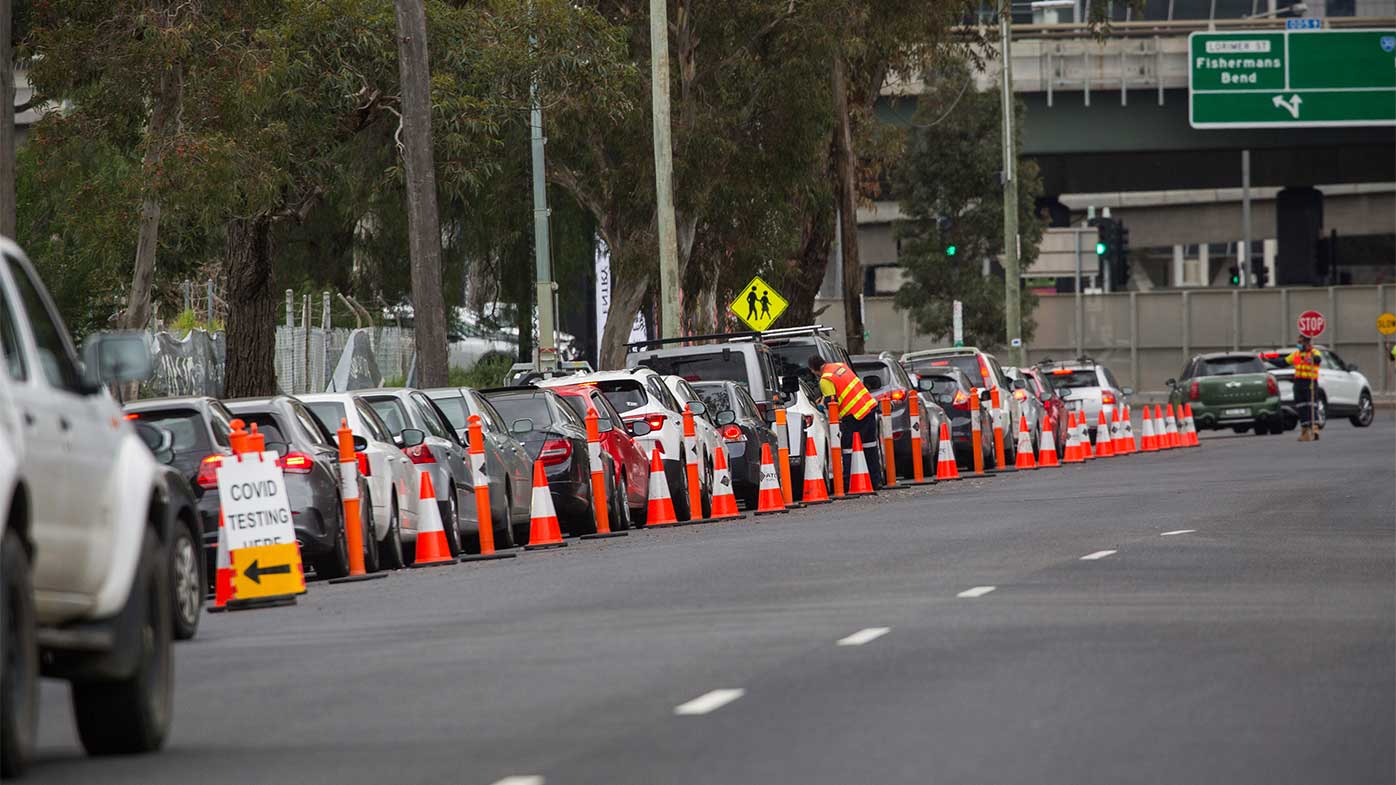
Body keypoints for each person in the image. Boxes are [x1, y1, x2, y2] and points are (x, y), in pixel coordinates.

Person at [809, 354, 883, 488]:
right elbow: (841, 387)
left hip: (853, 416)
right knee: (870, 446)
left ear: (813, 370)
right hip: (868, 407)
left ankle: (849, 483)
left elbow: (831, 401)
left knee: (848, 449)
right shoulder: (840, 366)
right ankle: (875, 481)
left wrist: (821, 406)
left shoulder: (825, 380)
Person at [1286, 335, 1322, 442]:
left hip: (1310, 382)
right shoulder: (1296, 354)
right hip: (1298, 384)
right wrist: (1267, 358)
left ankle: (1315, 430)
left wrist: (1312, 358)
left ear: (1306, 342)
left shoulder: (1314, 352)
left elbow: (1318, 359)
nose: (1298, 344)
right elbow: (1283, 361)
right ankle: (1305, 432)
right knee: (1301, 408)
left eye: (1300, 342)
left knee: (1312, 405)